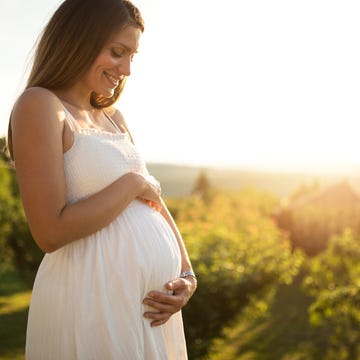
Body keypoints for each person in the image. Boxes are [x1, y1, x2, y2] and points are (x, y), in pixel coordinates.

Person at [7, 0, 197, 358]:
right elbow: (49, 231)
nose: (126, 68)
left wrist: (188, 274)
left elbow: (153, 200)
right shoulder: (40, 105)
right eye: (116, 52)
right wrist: (131, 185)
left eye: (132, 56)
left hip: (148, 312)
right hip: (91, 303)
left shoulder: (114, 118)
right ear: (78, 40)